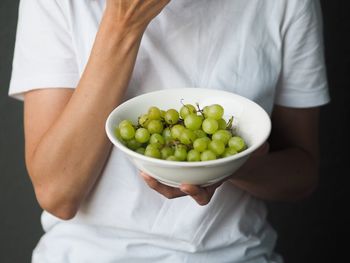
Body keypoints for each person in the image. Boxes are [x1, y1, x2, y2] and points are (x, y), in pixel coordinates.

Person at [9, 0, 330, 262]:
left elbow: (302, 174)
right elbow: (57, 194)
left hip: (233, 255)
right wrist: (123, 25)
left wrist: (238, 163)